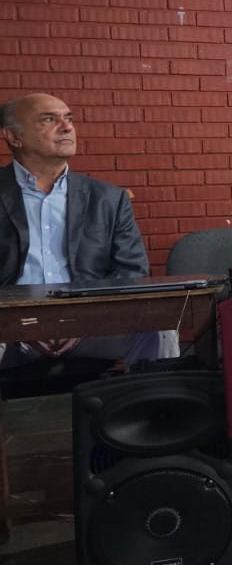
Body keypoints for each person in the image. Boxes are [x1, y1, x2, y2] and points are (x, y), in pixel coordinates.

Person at [0, 94, 163, 390]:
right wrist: (20, 324)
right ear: (13, 136)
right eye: (49, 119)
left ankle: (149, 413)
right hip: (9, 329)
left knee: (158, 327)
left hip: (92, 324)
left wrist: (86, 321)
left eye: (69, 118)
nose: (66, 127)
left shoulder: (108, 199)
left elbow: (131, 271)